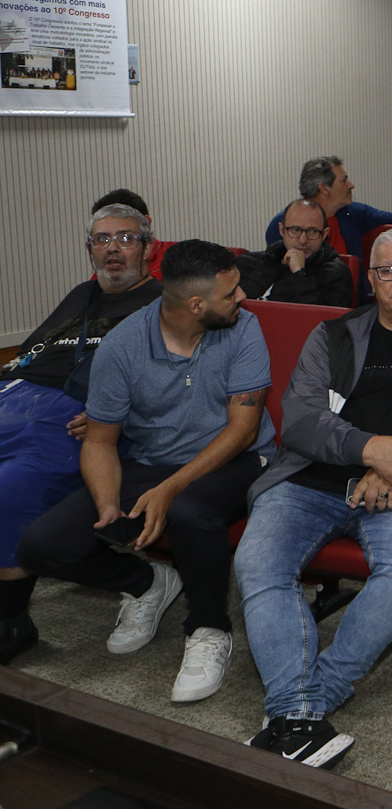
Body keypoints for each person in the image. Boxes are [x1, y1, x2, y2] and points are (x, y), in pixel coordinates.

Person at [16, 240, 277, 703]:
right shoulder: (123, 345)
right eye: (231, 293)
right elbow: (99, 441)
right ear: (196, 305)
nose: (242, 299)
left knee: (190, 511)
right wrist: (109, 506)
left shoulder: (243, 329)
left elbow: (242, 429)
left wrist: (170, 488)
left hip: (236, 459)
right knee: (42, 546)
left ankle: (209, 627)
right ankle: (147, 583)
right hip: (151, 460)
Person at [235, 228, 392, 767]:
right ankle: (301, 711)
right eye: (387, 271)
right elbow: (301, 421)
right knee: (258, 563)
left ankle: (299, 706)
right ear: (370, 281)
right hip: (311, 479)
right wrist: (370, 448)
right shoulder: (332, 336)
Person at [0, 202, 164, 664]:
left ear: (148, 248)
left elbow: (175, 380)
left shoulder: (163, 304)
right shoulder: (80, 294)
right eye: (102, 239)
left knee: (9, 492)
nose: (113, 249)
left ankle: (11, 621)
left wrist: (117, 412)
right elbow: (31, 354)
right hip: (18, 398)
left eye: (127, 239)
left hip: (81, 416)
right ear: (89, 249)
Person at [262, 156, 392, 266]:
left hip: (355, 302)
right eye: (344, 181)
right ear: (324, 189)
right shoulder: (283, 224)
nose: (351, 185)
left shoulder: (352, 213)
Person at [237, 199, 354, 307]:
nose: (303, 240)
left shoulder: (337, 274)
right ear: (282, 230)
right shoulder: (250, 263)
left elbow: (324, 323)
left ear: (324, 235)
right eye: (295, 230)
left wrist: (299, 273)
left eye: (312, 231)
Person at [89, 190, 173, 280]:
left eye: (125, 237)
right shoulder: (97, 282)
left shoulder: (178, 258)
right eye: (102, 238)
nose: (112, 248)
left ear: (146, 222)